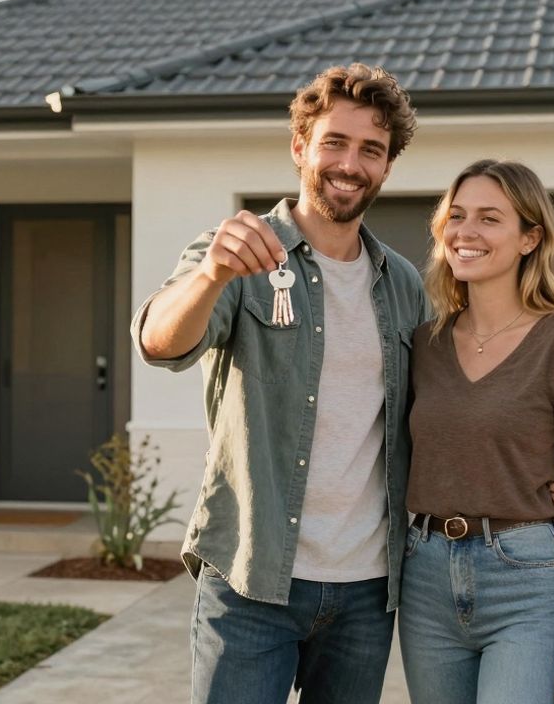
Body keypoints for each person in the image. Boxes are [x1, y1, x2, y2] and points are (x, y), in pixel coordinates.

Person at [133, 62, 426, 704]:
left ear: (386, 167)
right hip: (249, 578)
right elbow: (159, 341)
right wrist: (211, 276)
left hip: (366, 590)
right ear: (300, 147)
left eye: (371, 151)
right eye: (335, 143)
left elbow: (437, 410)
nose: (350, 164)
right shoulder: (233, 252)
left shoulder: (403, 284)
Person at [398, 159, 554, 704]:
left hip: (525, 578)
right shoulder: (424, 343)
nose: (466, 232)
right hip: (424, 577)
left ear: (529, 238)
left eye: (490, 219)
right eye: (457, 216)